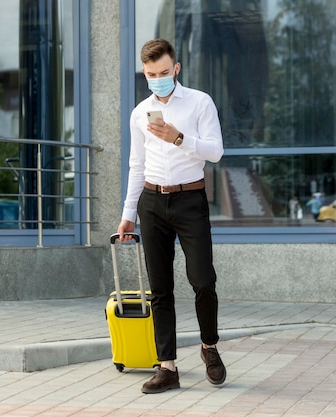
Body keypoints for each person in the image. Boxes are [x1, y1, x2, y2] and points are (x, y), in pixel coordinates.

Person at [117, 39, 225, 394]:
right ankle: (168, 367)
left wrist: (179, 138)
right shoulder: (139, 112)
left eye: (164, 73)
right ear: (144, 73)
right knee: (160, 288)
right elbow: (136, 165)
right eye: (151, 74)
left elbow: (216, 152)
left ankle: (209, 346)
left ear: (176, 69)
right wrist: (128, 213)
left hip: (190, 199)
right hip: (151, 201)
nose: (158, 79)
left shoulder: (199, 102)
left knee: (202, 279)